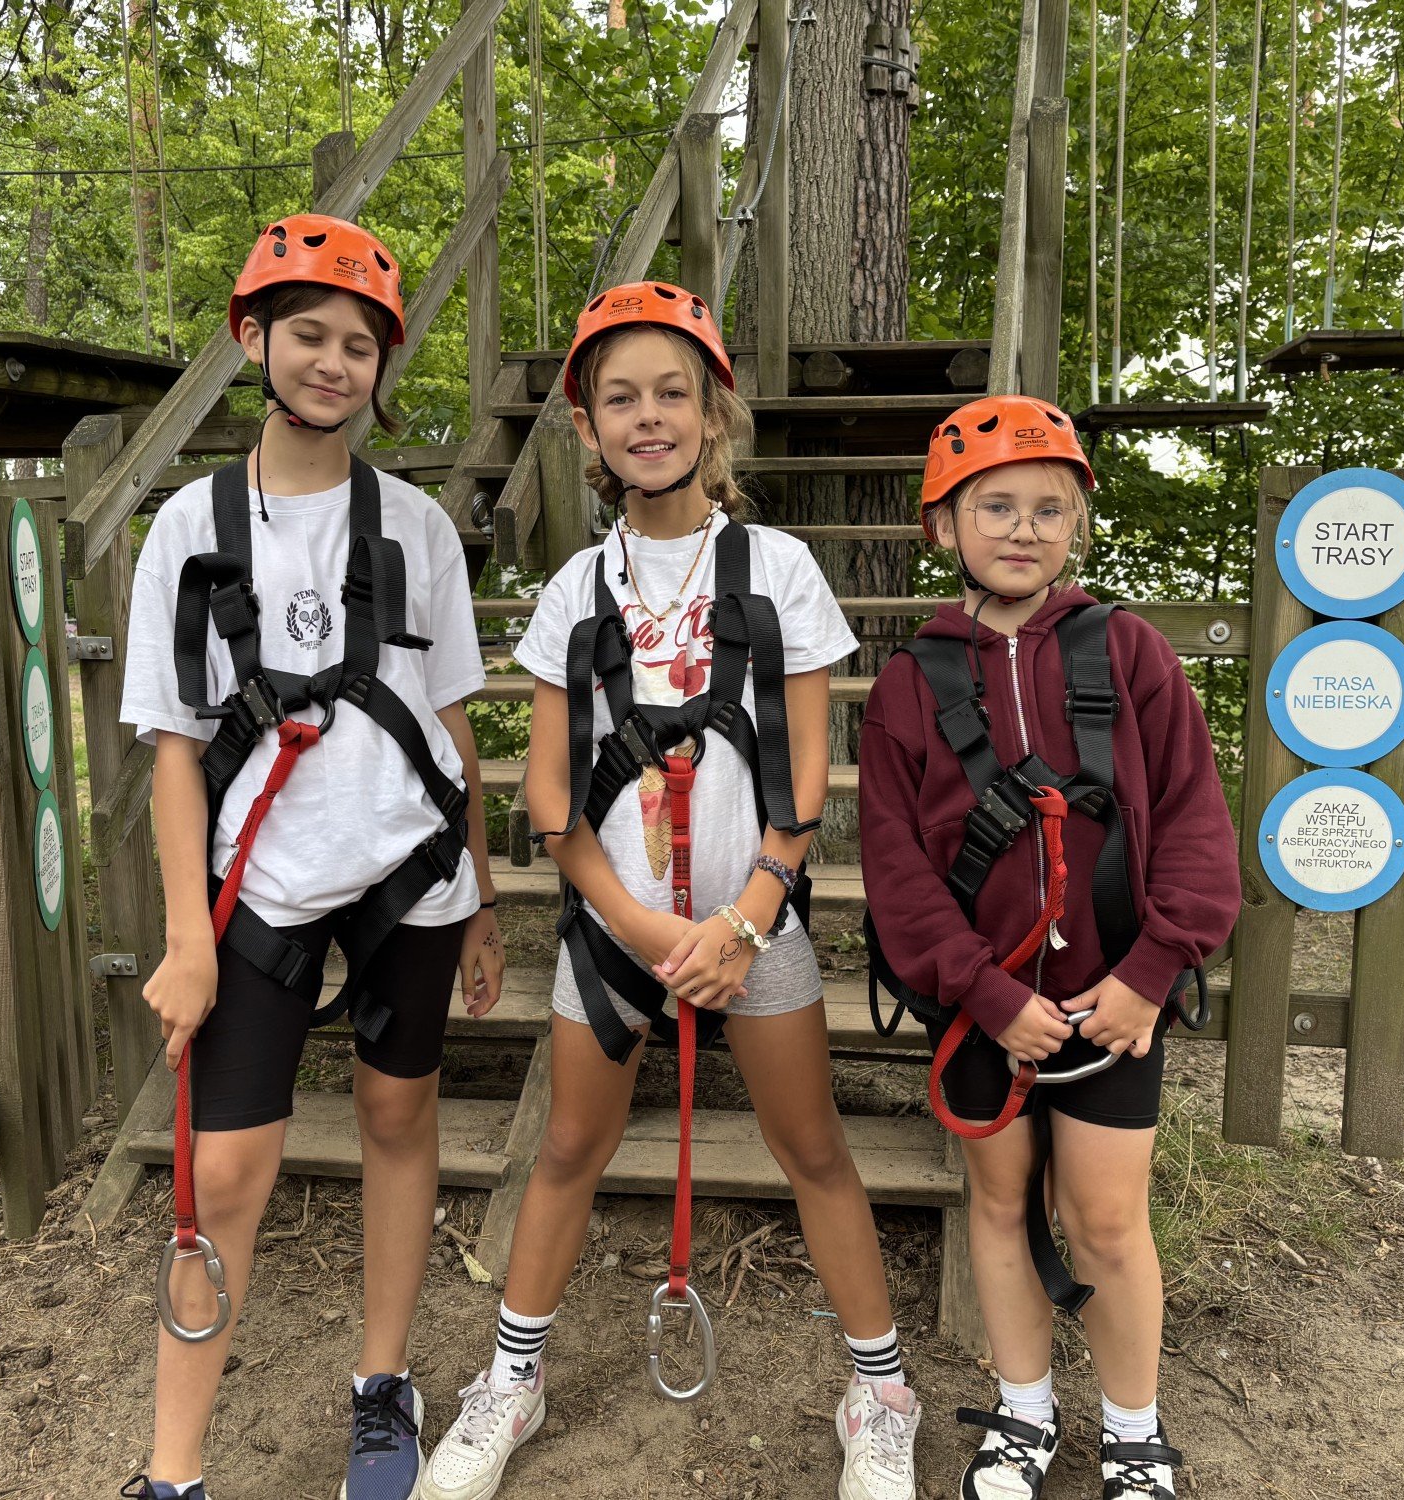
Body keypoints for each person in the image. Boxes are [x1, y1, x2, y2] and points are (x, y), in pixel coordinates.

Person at [420, 281, 920, 1500]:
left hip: (754, 921)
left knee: (811, 1145)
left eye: (670, 394)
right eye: (620, 399)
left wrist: (743, 923)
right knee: (567, 1147)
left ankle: (880, 1392)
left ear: (712, 413)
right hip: (617, 924)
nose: (647, 417)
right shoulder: (574, 592)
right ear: (586, 428)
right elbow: (550, 797)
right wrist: (644, 927)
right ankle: (512, 1380)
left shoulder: (778, 570)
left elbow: (804, 784)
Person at [117, 213, 504, 1500]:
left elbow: (450, 724)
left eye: (359, 346)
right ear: (253, 339)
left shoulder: (416, 529)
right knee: (224, 1168)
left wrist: (483, 901)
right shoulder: (190, 530)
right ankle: (174, 1471)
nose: (333, 364)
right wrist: (187, 938)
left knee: (397, 1115)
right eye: (308, 335)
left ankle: (382, 1386)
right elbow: (175, 749)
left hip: (409, 873)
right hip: (256, 884)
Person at [858, 395, 1239, 1500]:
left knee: (1106, 1219)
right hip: (982, 1005)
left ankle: (1133, 1430)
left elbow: (1195, 823)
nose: (1022, 529)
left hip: (1114, 999)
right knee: (999, 1204)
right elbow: (896, 869)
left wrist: (1151, 974)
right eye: (995, 507)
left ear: (1075, 525)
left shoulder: (1127, 653)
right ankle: (1023, 1412)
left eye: (1048, 509)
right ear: (942, 526)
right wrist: (980, 994)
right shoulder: (910, 685)